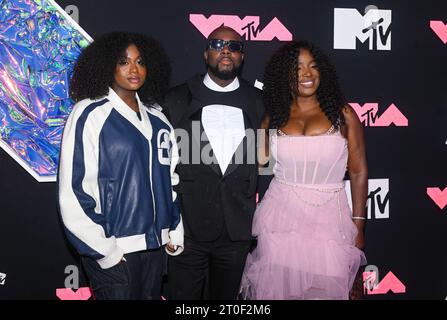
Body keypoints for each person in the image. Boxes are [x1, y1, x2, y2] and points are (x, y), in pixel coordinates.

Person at [57, 32, 184, 300]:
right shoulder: (89, 113)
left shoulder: (159, 119)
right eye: (124, 62)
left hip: (156, 249)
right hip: (114, 251)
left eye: (140, 62)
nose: (134, 69)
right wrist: (106, 251)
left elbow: (170, 180)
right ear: (108, 65)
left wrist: (173, 229)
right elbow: (74, 189)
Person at [240, 40, 367, 300]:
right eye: (297, 68)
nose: (307, 74)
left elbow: (358, 172)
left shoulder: (344, 115)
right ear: (284, 76)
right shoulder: (273, 117)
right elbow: (256, 163)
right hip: (280, 220)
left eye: (313, 66)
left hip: (330, 222)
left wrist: (359, 225)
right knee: (279, 291)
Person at [163, 26, 264, 300]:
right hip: (187, 229)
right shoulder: (176, 99)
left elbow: (267, 167)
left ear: (242, 57)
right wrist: (168, 223)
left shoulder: (258, 102)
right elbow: (162, 169)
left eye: (234, 46)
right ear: (206, 53)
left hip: (238, 230)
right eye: (218, 44)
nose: (226, 50)